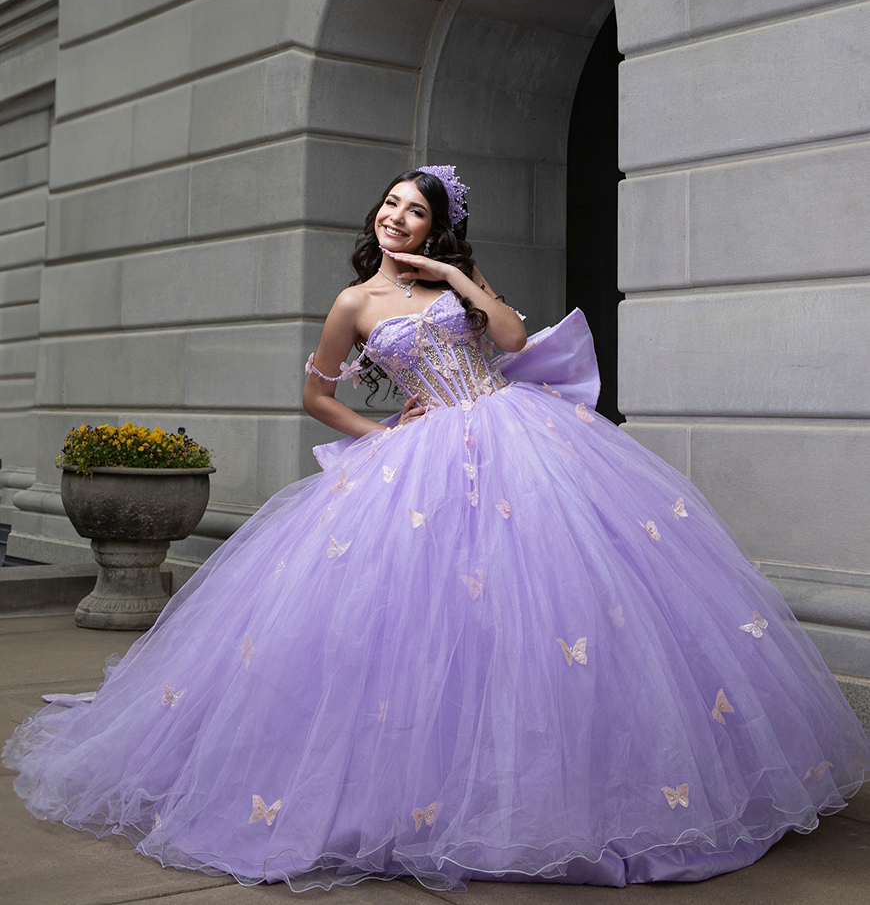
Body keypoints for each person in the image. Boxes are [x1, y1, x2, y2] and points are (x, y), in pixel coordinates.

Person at [4, 166, 869, 891]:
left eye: (415, 210)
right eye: (389, 205)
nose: (396, 217)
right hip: (417, 462)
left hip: (518, 435)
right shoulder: (352, 303)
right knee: (412, 626)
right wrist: (381, 440)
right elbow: (317, 394)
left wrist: (455, 279)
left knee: (557, 607)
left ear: (435, 226)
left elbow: (514, 336)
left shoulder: (454, 281)